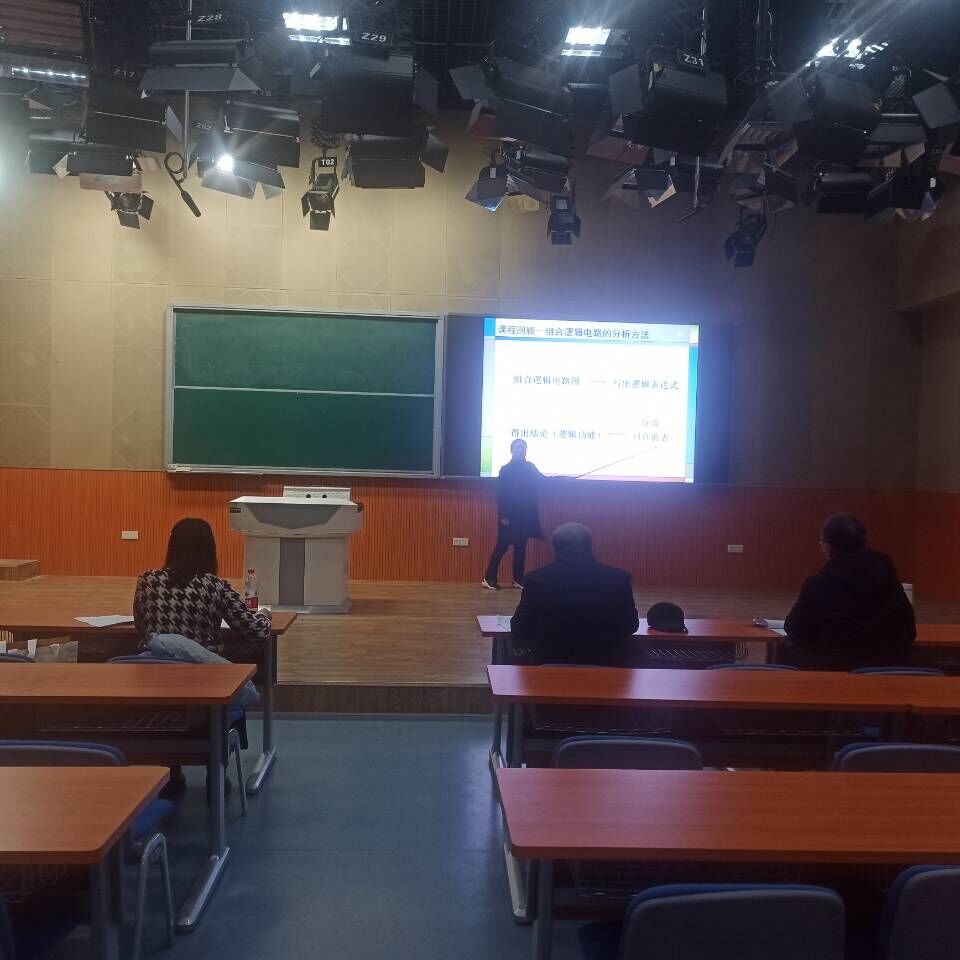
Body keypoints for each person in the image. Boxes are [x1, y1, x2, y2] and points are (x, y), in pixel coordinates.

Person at [134, 517, 271, 705]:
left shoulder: (147, 580)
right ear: (209, 549)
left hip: (153, 674)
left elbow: (140, 626)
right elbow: (258, 632)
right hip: (202, 676)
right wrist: (264, 615)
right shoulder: (215, 585)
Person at [783, 513, 916, 670]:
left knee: (785, 650)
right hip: (891, 673)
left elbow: (794, 630)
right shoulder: (888, 578)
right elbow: (910, 631)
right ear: (863, 543)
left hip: (833, 675)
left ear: (828, 546)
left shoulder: (818, 584)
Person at [510, 522, 640, 665]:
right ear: (589, 546)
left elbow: (520, 627)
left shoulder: (536, 580)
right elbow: (631, 625)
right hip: (609, 666)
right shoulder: (619, 579)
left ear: (554, 548)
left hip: (549, 667)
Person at [482, 438, 544, 590]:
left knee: (521, 547)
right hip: (509, 515)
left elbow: (543, 480)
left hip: (525, 515)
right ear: (511, 450)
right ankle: (488, 577)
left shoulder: (530, 467)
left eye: (523, 447)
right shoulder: (506, 469)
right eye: (518, 447)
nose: (521, 450)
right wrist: (503, 515)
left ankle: (518, 578)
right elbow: (501, 494)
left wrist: (563, 480)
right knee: (502, 546)